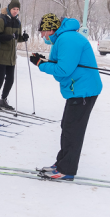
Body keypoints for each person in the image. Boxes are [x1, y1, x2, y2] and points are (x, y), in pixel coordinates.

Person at [32, 13, 102, 181]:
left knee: (73, 130)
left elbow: (64, 70)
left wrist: (42, 65)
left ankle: (66, 169)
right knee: (67, 127)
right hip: (77, 89)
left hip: (84, 90)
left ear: (51, 29)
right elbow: (62, 65)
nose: (42, 36)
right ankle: (62, 163)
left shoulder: (67, 39)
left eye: (43, 32)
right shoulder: (63, 38)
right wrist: (45, 62)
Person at [0, 0, 29, 111]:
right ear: (10, 9)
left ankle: (3, 99)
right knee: (0, 78)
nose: (15, 11)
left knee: (10, 79)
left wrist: (22, 38)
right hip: (0, 53)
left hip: (11, 55)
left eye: (17, 9)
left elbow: (17, 37)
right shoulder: (2, 19)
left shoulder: (17, 22)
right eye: (14, 9)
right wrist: (9, 37)